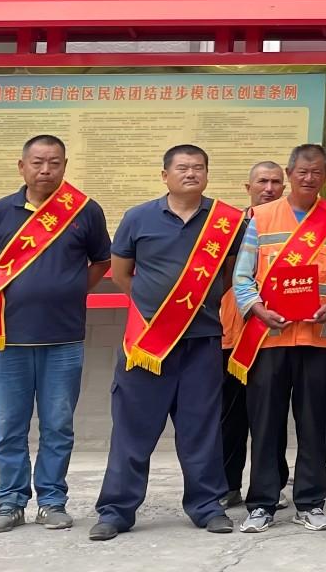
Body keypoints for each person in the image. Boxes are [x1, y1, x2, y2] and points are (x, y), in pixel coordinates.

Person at [92, 145, 240, 541]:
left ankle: (207, 506)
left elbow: (228, 276)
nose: (191, 173)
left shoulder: (226, 221)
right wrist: (153, 310)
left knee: (201, 429)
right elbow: (121, 273)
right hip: (147, 345)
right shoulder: (138, 217)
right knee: (132, 430)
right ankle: (116, 511)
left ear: (207, 174)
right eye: (183, 167)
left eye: (198, 167)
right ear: (165, 175)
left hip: (202, 343)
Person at [0, 135, 111, 535]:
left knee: (58, 426)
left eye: (54, 163)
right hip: (6, 339)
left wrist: (69, 289)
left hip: (63, 339)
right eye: (37, 162)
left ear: (65, 165)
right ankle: (10, 502)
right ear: (22, 166)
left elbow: (101, 261)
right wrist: (9, 298)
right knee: (8, 427)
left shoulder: (84, 211)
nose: (45, 170)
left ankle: (52, 501)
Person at [231, 143, 326, 533]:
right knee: (265, 423)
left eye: (316, 172)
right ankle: (262, 503)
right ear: (290, 174)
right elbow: (242, 275)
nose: (309, 178)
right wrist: (256, 308)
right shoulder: (262, 217)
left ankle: (311, 501)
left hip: (318, 337)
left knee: (314, 423)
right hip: (270, 336)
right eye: (302, 171)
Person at [221, 162, 286, 509]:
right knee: (229, 415)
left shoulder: (291, 228)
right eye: (262, 181)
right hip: (232, 333)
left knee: (271, 416)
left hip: (274, 334)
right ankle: (227, 484)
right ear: (248, 187)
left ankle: (273, 484)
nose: (269, 188)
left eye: (276, 182)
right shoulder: (228, 227)